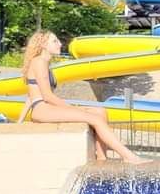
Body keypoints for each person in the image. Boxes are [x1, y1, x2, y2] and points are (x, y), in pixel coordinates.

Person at [20, 30, 147, 164]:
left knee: (100, 112)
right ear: (43, 44)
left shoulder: (44, 63)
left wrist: (19, 122)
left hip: (45, 108)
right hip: (43, 109)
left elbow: (30, 96)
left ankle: (102, 158)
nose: (60, 44)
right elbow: (47, 96)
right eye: (55, 41)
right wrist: (72, 108)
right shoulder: (39, 62)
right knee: (95, 119)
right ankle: (128, 156)